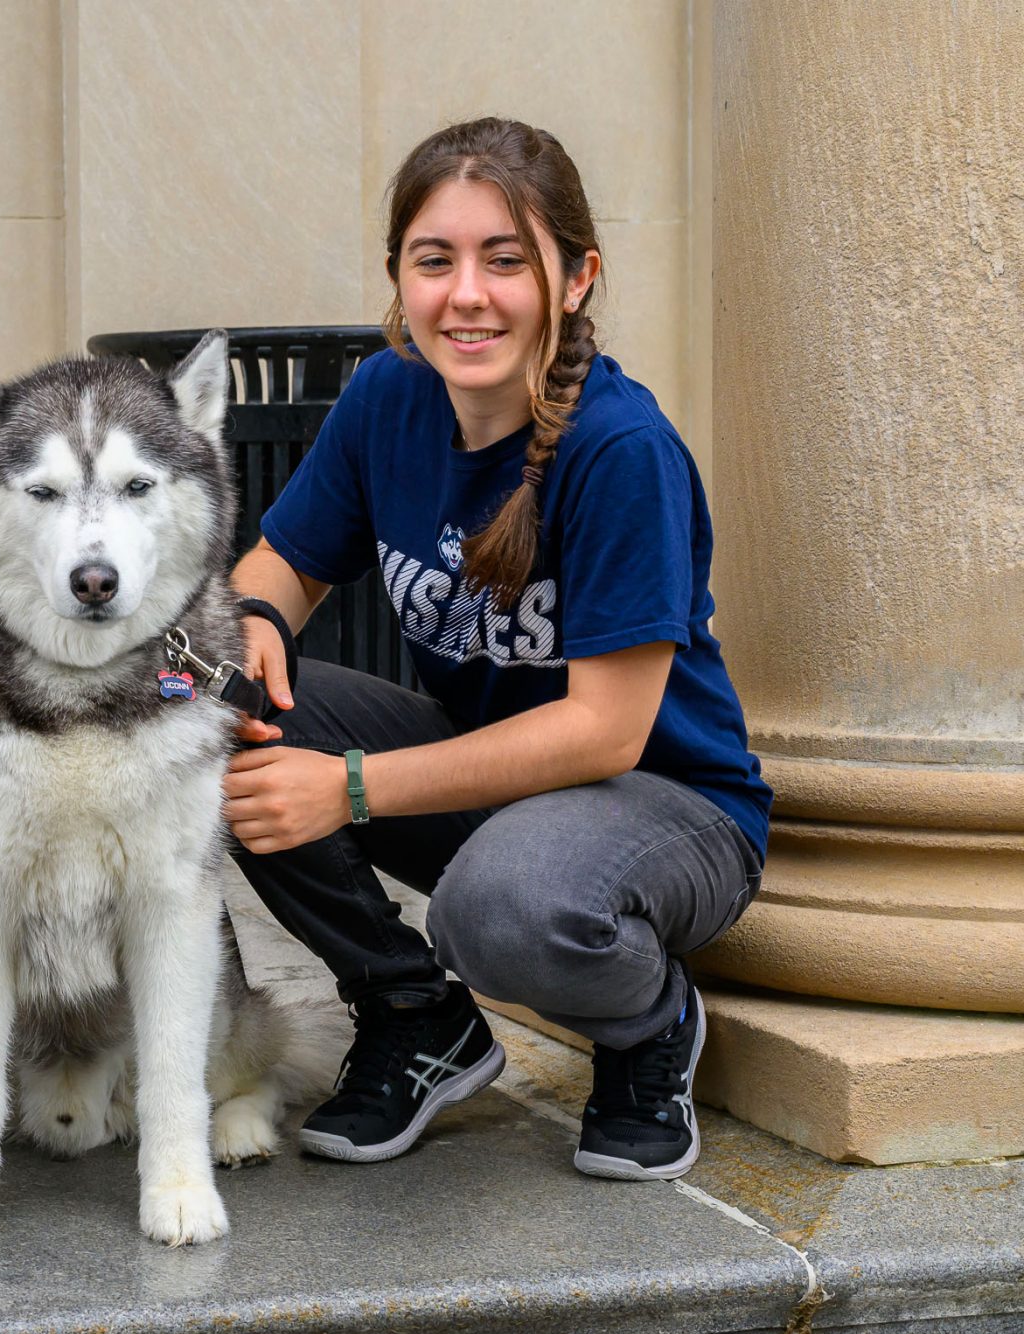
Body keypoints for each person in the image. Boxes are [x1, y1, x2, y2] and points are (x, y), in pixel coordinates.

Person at [225, 117, 769, 1182]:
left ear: (574, 280)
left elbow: (603, 733)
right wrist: (243, 629)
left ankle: (646, 1023)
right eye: (434, 261)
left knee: (497, 910)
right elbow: (278, 568)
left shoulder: (620, 451)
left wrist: (347, 787)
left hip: (668, 809)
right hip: (497, 778)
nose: (464, 293)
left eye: (503, 259)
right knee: (207, 712)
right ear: (398, 279)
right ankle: (413, 1012)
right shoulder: (388, 398)